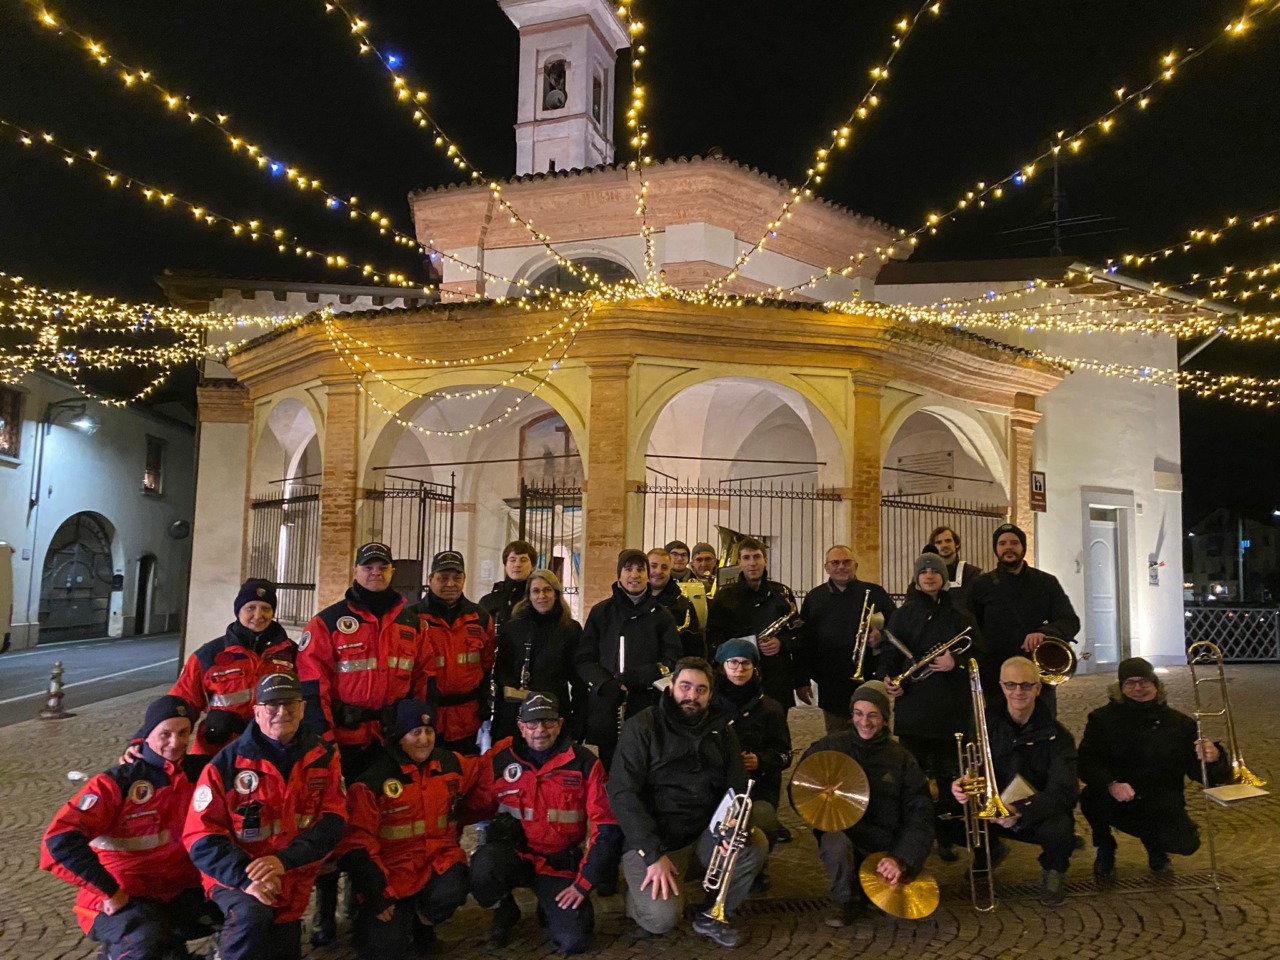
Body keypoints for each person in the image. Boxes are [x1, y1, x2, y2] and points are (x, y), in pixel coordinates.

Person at [296, 540, 431, 944]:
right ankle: (324, 907)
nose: (376, 572)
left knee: (381, 824)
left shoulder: (411, 623)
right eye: (368, 566)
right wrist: (323, 739)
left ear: (392, 572)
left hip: (388, 743)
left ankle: (365, 898)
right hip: (344, 743)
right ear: (356, 571)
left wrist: (415, 728)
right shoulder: (327, 623)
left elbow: (423, 680)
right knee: (331, 823)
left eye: (383, 567)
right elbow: (310, 684)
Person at [607, 657, 768, 948]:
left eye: (701, 690)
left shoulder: (722, 729)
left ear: (710, 694)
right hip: (656, 840)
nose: (692, 696)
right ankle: (634, 895)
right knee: (661, 920)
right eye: (685, 687)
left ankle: (715, 911)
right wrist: (652, 854)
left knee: (752, 843)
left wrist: (734, 824)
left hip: (705, 834)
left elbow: (738, 784)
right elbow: (622, 793)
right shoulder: (641, 726)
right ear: (671, 688)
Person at [184, 673, 346, 960]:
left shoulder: (323, 756)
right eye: (272, 705)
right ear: (257, 712)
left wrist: (283, 861)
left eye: (290, 704)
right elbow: (200, 837)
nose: (282, 712)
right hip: (236, 878)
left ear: (303, 709)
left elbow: (333, 821)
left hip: (291, 875)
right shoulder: (225, 765)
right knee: (251, 917)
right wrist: (246, 879)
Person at [42, 695, 215, 960]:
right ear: (146, 734)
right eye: (165, 734)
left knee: (253, 915)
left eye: (183, 733)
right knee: (143, 939)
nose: (176, 742)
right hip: (120, 898)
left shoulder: (200, 773)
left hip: (177, 891)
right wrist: (109, 892)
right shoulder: (117, 783)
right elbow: (59, 841)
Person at [469, 692, 622, 954]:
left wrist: (583, 883)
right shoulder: (501, 760)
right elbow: (474, 807)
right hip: (514, 857)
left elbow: (605, 828)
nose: (540, 730)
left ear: (560, 724)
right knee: (482, 866)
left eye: (548, 723)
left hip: (558, 865)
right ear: (521, 726)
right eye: (532, 723)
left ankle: (548, 904)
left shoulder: (584, 764)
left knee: (575, 942)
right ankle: (504, 908)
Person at [338, 698, 477, 959]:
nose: (424, 739)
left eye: (429, 731)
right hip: (390, 876)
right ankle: (369, 919)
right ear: (400, 737)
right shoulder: (374, 781)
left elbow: (485, 776)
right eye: (416, 733)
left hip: (435, 864)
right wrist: (376, 893)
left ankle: (422, 923)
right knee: (386, 950)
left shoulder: (450, 765)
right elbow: (357, 843)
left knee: (454, 887)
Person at [795, 682, 934, 928]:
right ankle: (845, 899)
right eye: (858, 714)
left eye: (873, 715)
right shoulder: (830, 746)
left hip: (886, 844)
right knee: (834, 842)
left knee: (899, 911)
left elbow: (920, 813)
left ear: (884, 719)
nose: (864, 722)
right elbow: (801, 788)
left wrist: (902, 858)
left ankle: (878, 881)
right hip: (847, 836)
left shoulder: (901, 758)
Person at [1079, 657, 1230, 878]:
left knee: (1185, 843)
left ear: (1156, 684)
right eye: (1130, 683)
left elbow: (1200, 773)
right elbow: (1087, 761)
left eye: (1144, 682)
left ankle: (1156, 846)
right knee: (1091, 799)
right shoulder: (1102, 720)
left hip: (1160, 800)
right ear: (1120, 688)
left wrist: (1214, 757)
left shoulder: (1181, 724)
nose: (1138, 688)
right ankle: (1105, 847)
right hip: (1118, 796)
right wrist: (1111, 784)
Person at [950, 656, 1078, 907]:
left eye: (1026, 685)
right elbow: (972, 765)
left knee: (1062, 827)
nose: (1018, 691)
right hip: (993, 808)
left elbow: (1065, 791)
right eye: (1011, 685)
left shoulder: (1058, 736)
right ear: (1001, 686)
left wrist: (1019, 809)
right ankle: (989, 852)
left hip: (1034, 811)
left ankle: (1054, 870)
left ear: (1038, 688)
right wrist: (963, 784)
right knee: (942, 814)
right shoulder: (984, 724)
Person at [883, 553, 977, 861]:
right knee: (916, 781)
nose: (929, 575)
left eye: (935, 571)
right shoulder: (903, 614)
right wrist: (889, 679)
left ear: (944, 577)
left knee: (953, 781)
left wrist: (956, 662)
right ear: (916, 578)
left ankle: (948, 836)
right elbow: (889, 656)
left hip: (952, 712)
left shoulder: (960, 616)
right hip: (915, 713)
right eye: (923, 572)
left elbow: (980, 656)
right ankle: (917, 839)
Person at [575, 549, 681, 768]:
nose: (635, 574)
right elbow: (584, 658)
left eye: (641, 569)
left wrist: (644, 675)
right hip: (607, 705)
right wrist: (604, 683)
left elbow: (673, 660)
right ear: (619, 574)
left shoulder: (661, 616)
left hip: (646, 704)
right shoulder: (601, 612)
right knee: (610, 768)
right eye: (628, 568)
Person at [171, 578, 296, 762]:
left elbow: (307, 700)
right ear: (238, 610)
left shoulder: (291, 653)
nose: (258, 615)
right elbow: (179, 702)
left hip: (272, 752)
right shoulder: (209, 655)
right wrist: (143, 741)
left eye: (266, 608)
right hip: (218, 753)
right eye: (250, 607)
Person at [967, 522, 1080, 718]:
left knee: (1042, 727)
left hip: (1037, 674)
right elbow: (971, 627)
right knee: (1000, 732)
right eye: (1002, 543)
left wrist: (1045, 633)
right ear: (996, 549)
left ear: (1023, 547)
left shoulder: (1046, 582)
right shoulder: (980, 585)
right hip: (997, 675)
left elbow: (1070, 620)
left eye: (1014, 542)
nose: (1008, 547)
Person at [796, 544, 896, 733]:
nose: (841, 566)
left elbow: (897, 628)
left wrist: (881, 636)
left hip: (870, 679)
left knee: (874, 735)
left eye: (846, 562)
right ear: (827, 567)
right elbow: (804, 642)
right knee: (838, 738)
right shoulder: (814, 598)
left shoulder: (875, 593)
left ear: (855, 566)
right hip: (832, 684)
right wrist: (802, 680)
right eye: (835, 562)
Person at [713, 638, 793, 863]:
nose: (739, 669)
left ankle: (755, 865)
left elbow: (785, 754)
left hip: (757, 787)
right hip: (716, 785)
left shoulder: (770, 709)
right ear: (722, 666)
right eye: (733, 663)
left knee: (762, 818)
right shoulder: (709, 705)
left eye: (745, 663)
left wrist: (761, 760)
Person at [411, 550, 497, 754]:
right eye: (443, 578)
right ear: (431, 579)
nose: (450, 583)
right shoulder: (412, 618)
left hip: (467, 718)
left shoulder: (480, 617)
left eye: (457, 577)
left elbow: (487, 663)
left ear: (464, 579)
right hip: (425, 719)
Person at [705, 537, 799, 710]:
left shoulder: (782, 593)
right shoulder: (724, 597)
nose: (752, 563)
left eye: (757, 557)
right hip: (737, 678)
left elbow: (799, 634)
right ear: (739, 562)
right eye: (746, 558)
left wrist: (782, 642)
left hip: (776, 678)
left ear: (765, 560)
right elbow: (714, 639)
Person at [492, 568, 582, 743]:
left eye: (547, 590)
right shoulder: (514, 628)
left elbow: (577, 678)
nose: (542, 595)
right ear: (529, 596)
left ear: (556, 594)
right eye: (536, 591)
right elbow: (502, 669)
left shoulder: (570, 629)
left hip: (555, 708)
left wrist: (578, 719)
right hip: (519, 710)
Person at [648, 546, 705, 658]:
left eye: (664, 567)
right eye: (653, 566)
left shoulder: (684, 605)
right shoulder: (634, 602)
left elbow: (695, 648)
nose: (658, 571)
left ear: (670, 570)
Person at [480, 540, 538, 628]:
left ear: (532, 566)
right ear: (505, 565)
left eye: (523, 560)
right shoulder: (489, 601)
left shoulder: (539, 600)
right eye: (512, 560)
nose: (517, 564)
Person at [927, 525, 984, 608]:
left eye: (948, 541)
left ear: (957, 544)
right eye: (939, 542)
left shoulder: (975, 575)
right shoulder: (926, 577)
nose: (944, 545)